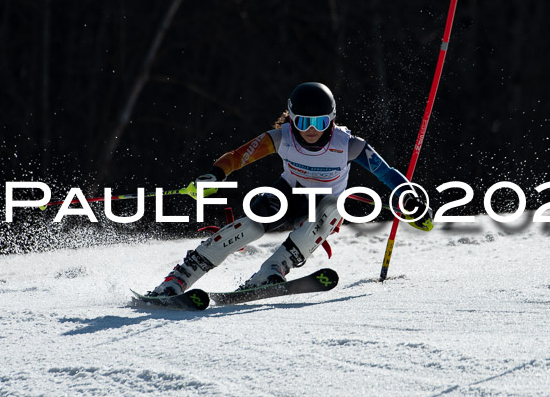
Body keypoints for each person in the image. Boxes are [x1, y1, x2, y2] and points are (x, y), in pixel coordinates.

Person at [147, 82, 433, 297]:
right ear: (292, 117)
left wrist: (409, 197)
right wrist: (214, 175)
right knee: (255, 223)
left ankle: (272, 269)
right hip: (288, 193)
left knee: (333, 208)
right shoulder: (280, 138)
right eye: (303, 121)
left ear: (331, 119)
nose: (311, 129)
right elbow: (236, 157)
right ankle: (181, 276)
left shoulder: (349, 144)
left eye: (320, 122)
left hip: (323, 204)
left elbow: (386, 173)